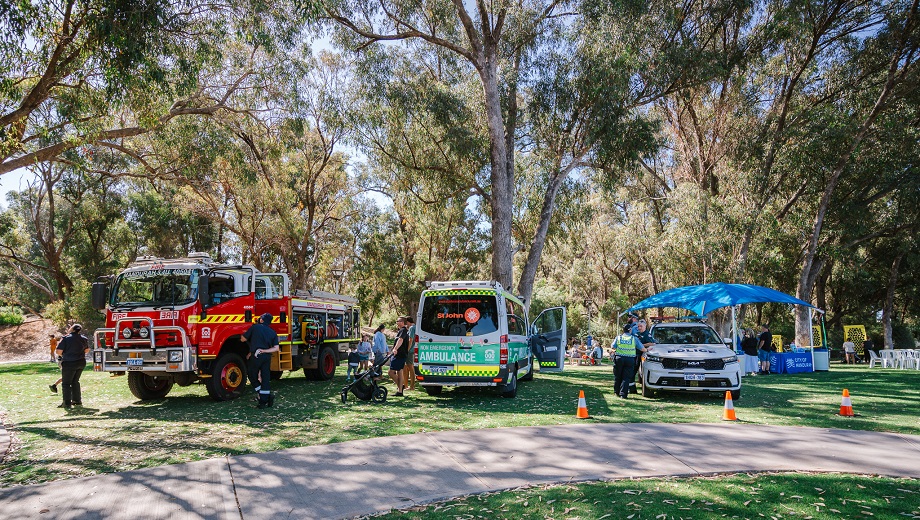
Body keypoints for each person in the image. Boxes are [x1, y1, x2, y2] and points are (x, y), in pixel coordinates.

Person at [242, 312, 280, 408]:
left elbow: (243, 339)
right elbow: (276, 348)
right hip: (267, 356)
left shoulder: (255, 327)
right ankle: (263, 401)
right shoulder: (272, 332)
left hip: (256, 356)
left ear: (261, 319)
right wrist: (265, 350)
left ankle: (263, 395)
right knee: (265, 378)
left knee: (252, 375)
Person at [55, 324, 89, 409]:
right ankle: (77, 400)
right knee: (75, 381)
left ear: (72, 329)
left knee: (66, 383)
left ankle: (66, 403)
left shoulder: (66, 338)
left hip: (69, 362)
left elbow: (58, 351)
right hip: (81, 362)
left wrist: (66, 354)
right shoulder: (84, 338)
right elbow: (87, 350)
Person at [612, 324, 644, 399]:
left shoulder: (619, 337)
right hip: (630, 360)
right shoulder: (634, 338)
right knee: (626, 377)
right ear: (630, 330)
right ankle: (623, 394)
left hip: (619, 358)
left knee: (618, 376)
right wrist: (648, 350)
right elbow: (641, 348)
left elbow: (613, 346)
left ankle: (616, 392)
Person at [630, 319, 656, 393]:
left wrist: (640, 346)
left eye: (641, 326)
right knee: (632, 371)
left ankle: (632, 389)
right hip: (633, 354)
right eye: (638, 326)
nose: (639, 328)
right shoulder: (636, 334)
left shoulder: (647, 334)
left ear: (645, 326)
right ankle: (632, 388)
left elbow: (652, 344)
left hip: (640, 356)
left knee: (634, 371)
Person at [389, 316, 410, 396]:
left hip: (399, 355)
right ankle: (400, 391)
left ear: (402, 322)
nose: (396, 323)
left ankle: (400, 387)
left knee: (391, 372)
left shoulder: (403, 330)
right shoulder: (402, 330)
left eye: (397, 321)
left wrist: (395, 349)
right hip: (401, 354)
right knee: (399, 372)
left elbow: (400, 340)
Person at [403, 316, 417, 391]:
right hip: (412, 350)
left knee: (410, 367)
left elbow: (410, 340)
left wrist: (407, 350)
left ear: (408, 322)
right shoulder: (415, 327)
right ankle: (406, 385)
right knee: (407, 367)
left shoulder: (412, 328)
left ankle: (411, 386)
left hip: (410, 351)